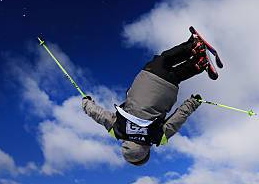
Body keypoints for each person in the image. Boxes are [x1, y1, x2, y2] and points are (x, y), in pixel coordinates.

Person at [82, 34, 216, 166]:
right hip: (147, 79)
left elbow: (178, 119)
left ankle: (199, 64)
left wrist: (193, 102)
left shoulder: (156, 138)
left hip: (167, 91)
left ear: (145, 153)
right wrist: (86, 103)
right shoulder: (118, 130)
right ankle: (193, 46)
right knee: (164, 60)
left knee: (176, 75)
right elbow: (99, 115)